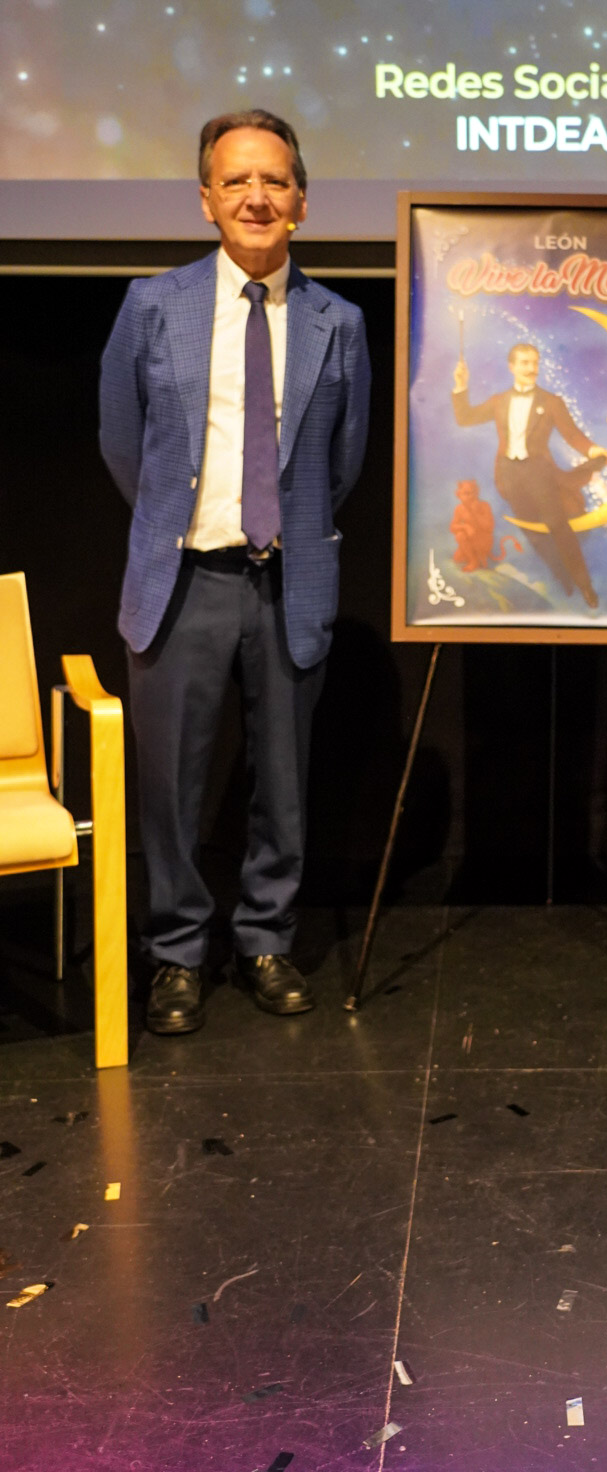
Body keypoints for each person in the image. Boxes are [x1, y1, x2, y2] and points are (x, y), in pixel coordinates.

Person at [99, 108, 370, 1035]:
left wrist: (287, 525)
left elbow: (342, 463)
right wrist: (178, 523)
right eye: (237, 181)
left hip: (288, 580)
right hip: (182, 581)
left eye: (275, 181)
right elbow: (123, 442)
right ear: (207, 199)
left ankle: (265, 938)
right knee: (170, 785)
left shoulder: (340, 323)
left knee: (283, 783)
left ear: (302, 201)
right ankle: (176, 953)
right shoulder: (152, 305)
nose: (257, 196)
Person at [451, 343, 607, 607]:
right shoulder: (499, 401)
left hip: (540, 473)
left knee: (559, 527)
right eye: (525, 363)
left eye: (535, 363)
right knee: (532, 531)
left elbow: (571, 434)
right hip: (509, 474)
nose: (532, 368)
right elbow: (465, 418)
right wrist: (461, 385)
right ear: (512, 367)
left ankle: (585, 586)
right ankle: (562, 578)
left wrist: (592, 449)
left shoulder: (551, 402)